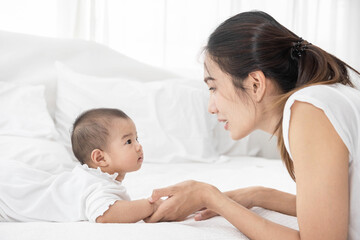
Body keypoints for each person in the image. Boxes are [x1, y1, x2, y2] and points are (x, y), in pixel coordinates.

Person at [146, 11, 360, 239]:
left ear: (255, 84)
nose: (211, 107)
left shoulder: (309, 110)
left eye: (213, 88)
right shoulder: (325, 97)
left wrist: (210, 197)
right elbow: (336, 210)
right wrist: (259, 195)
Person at [0, 108, 161, 223]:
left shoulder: (91, 180)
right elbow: (105, 214)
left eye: (136, 139)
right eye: (128, 141)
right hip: (8, 193)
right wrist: (150, 206)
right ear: (100, 157)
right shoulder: (97, 186)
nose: (138, 146)